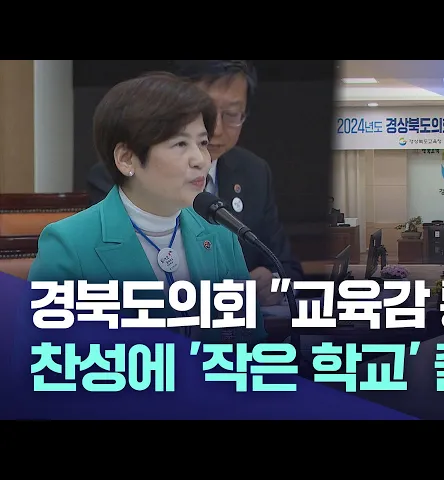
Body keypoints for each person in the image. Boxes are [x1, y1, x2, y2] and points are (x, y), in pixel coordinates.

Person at [29, 72, 265, 343]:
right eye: (180, 144)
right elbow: (44, 357)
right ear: (127, 159)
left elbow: (252, 346)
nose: (201, 160)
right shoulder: (69, 245)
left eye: (202, 143)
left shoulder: (220, 234)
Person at [86, 60, 303, 307]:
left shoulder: (254, 172)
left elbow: (286, 266)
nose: (216, 129)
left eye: (232, 114)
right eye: (206, 114)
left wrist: (272, 282)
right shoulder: (123, 174)